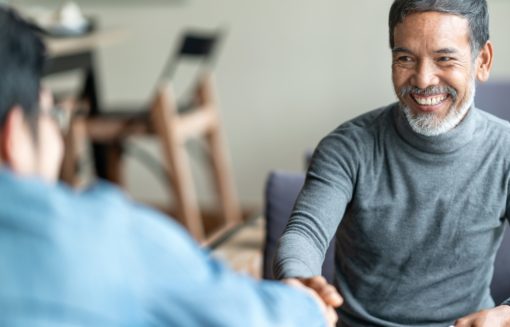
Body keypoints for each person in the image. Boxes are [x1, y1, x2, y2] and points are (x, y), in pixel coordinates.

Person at [0, 6, 340, 326]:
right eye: (53, 114)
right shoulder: (105, 239)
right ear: (14, 136)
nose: (59, 133)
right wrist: (307, 306)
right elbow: (251, 316)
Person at [274, 1, 510, 326]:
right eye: (405, 58)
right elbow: (305, 234)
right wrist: (299, 282)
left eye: (444, 59)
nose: (424, 79)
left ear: (482, 61)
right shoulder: (346, 147)